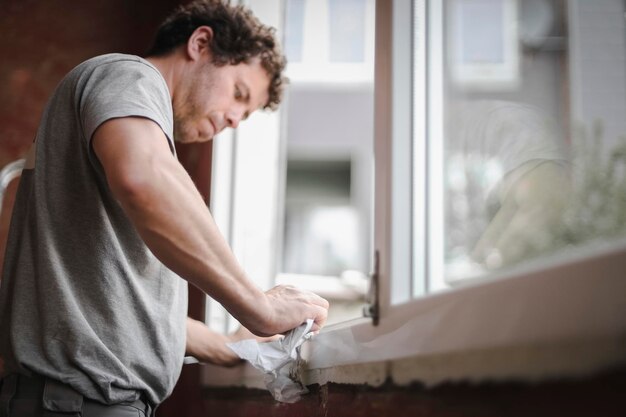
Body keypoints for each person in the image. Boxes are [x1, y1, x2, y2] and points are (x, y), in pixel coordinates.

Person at [0, 1, 329, 416]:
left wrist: (230, 346)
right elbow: (143, 178)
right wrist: (260, 307)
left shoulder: (130, 128)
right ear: (201, 43)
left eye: (243, 117)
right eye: (238, 94)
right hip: (78, 405)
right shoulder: (127, 75)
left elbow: (120, 307)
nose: (232, 119)